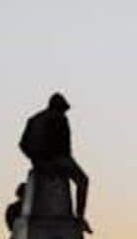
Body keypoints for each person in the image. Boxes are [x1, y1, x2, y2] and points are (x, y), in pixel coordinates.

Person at [18, 92, 91, 231]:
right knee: (83, 180)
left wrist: (35, 161)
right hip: (56, 159)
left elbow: (22, 144)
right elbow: (63, 148)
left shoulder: (33, 119)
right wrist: (49, 163)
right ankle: (80, 217)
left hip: (40, 161)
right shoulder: (58, 119)